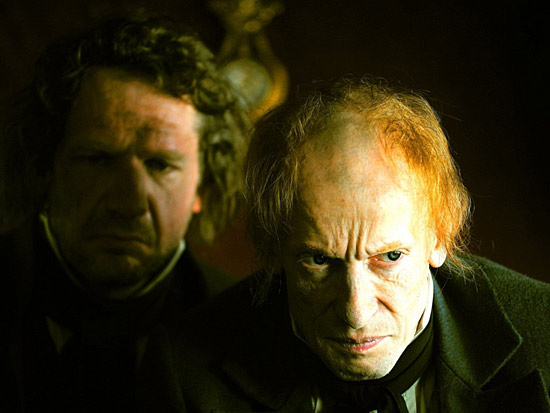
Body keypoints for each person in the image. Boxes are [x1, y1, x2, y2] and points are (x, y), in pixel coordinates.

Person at [139, 77, 550, 412]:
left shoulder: (543, 334)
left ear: (441, 236)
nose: (355, 313)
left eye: (389, 257)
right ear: (275, 250)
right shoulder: (185, 370)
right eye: (319, 260)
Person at [0, 14, 248, 412]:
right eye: (97, 159)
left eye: (160, 165)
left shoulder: (252, 330)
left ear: (202, 187)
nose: (128, 203)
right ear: (45, 167)